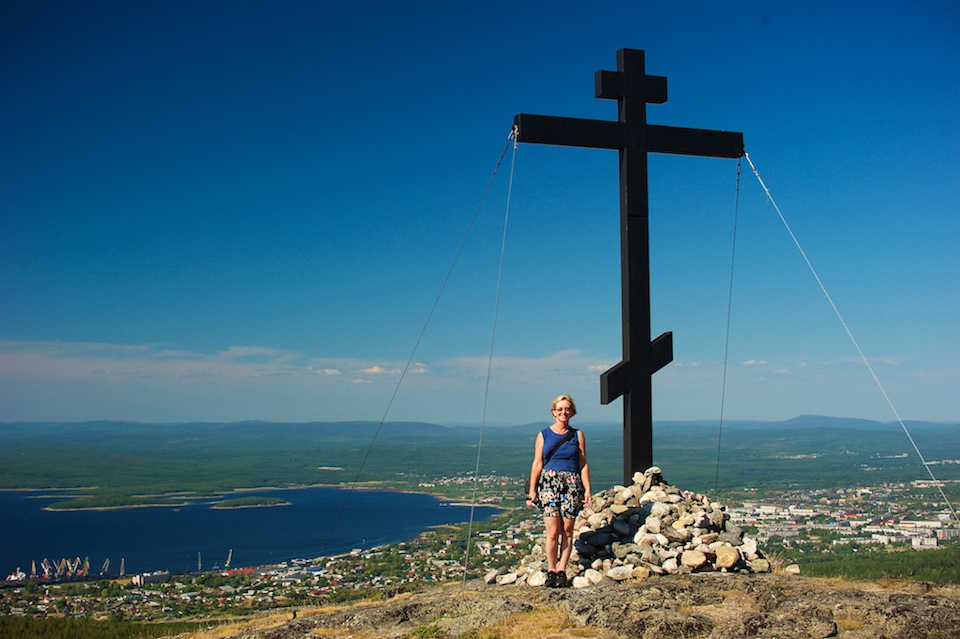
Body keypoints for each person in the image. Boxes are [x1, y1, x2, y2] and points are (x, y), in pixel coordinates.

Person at [526, 394, 591, 588]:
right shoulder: (544, 434)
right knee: (553, 531)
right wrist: (532, 490)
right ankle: (552, 570)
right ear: (554, 412)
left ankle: (562, 570)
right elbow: (537, 462)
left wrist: (587, 489)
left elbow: (583, 462)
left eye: (567, 409)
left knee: (568, 530)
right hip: (549, 483)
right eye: (560, 409)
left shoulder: (577, 435)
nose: (564, 412)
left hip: (571, 482)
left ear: (572, 412)